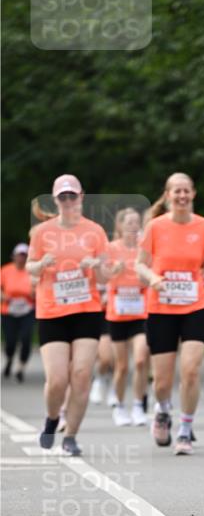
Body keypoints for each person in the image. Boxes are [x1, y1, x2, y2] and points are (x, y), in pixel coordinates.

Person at [27, 174, 109, 456]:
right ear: (55, 200)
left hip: (86, 309)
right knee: (58, 379)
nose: (68, 201)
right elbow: (30, 267)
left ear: (81, 197)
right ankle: (52, 419)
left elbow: (106, 276)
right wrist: (41, 264)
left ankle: (71, 435)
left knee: (82, 374)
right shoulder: (42, 232)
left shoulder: (96, 231)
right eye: (63, 197)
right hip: (52, 310)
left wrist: (96, 264)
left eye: (72, 195)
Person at [135, 172, 204, 455]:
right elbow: (140, 265)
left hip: (196, 305)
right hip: (162, 307)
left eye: (186, 191)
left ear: (193, 194)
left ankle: (185, 430)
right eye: (175, 191)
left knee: (191, 371)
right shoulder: (155, 227)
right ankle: (163, 409)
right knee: (162, 381)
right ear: (167, 195)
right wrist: (153, 278)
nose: (181, 196)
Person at [106, 207, 149, 426]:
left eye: (136, 222)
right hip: (118, 314)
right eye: (129, 222)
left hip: (141, 312)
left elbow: (152, 271)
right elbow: (101, 277)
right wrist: (114, 270)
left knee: (141, 360)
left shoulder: (144, 248)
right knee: (121, 366)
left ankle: (139, 406)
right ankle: (120, 406)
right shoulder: (111, 248)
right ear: (120, 226)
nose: (133, 226)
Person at [1, 243, 34, 381]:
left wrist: (33, 294)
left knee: (26, 338)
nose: (21, 258)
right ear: (14, 256)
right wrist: (3, 296)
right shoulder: (6, 270)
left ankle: (21, 367)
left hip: (27, 310)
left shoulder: (32, 271)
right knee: (10, 341)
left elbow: (39, 290)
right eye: (19, 255)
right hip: (9, 310)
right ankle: (9, 359)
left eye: (24, 256)